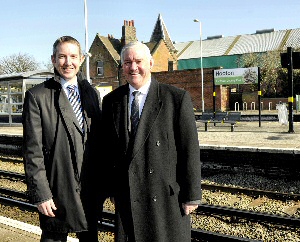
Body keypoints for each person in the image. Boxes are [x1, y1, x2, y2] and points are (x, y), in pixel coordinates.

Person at [101, 41, 202, 242]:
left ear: (151, 63)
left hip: (164, 197)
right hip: (128, 195)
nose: (133, 67)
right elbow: (108, 149)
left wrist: (191, 195)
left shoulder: (175, 98)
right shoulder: (111, 101)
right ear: (122, 67)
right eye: (127, 62)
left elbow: (189, 149)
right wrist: (111, 189)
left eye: (138, 61)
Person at [22, 36, 106, 242]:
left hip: (89, 189)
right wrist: (41, 194)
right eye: (62, 57)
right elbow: (33, 152)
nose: (68, 62)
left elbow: (99, 144)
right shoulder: (37, 96)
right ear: (53, 60)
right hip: (56, 189)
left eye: (73, 56)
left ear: (82, 59)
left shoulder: (91, 93)